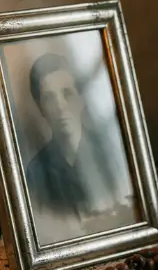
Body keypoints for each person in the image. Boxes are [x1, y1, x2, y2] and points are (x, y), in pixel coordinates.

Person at [24, 53, 132, 224]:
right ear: (40, 108)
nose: (60, 106)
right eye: (49, 98)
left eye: (67, 93)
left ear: (80, 99)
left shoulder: (112, 152)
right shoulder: (36, 173)